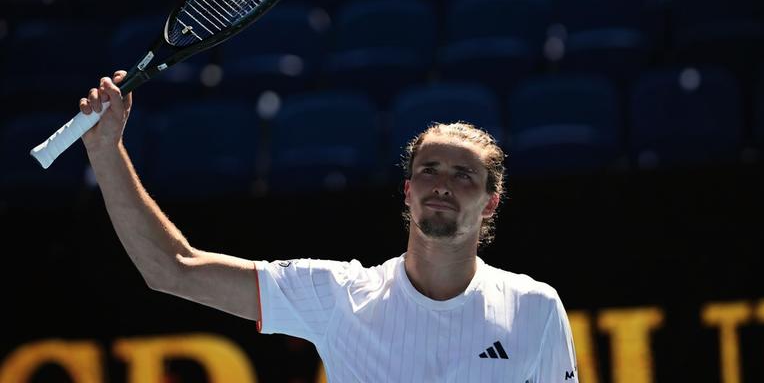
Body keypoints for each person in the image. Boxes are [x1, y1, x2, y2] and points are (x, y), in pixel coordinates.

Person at [80, 71, 580, 382]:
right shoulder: (337, 295)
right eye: (428, 169)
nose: (442, 184)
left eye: (463, 174)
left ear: (490, 203)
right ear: (408, 191)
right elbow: (173, 268)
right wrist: (107, 151)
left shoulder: (535, 307)